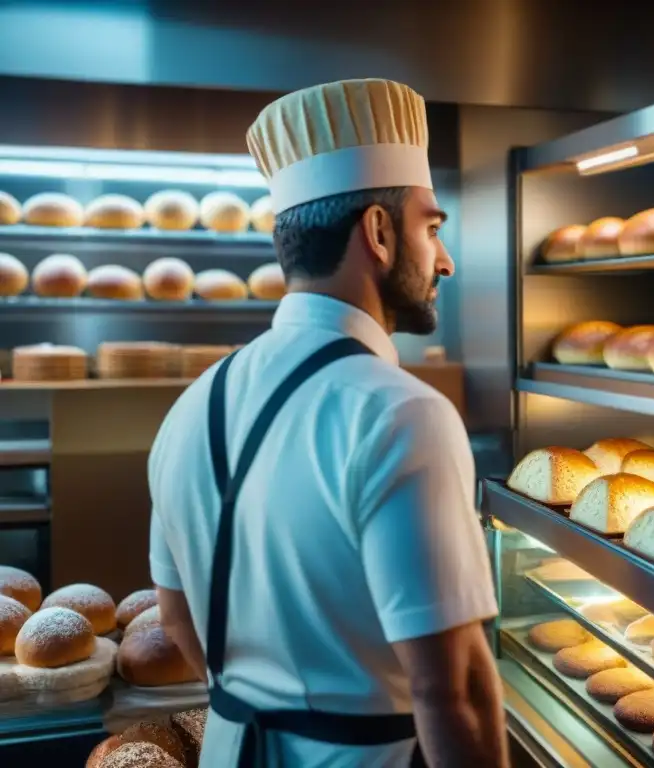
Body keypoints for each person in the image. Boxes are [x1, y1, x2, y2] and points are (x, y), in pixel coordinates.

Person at [147, 78, 508, 767]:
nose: (446, 259)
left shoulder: (190, 407)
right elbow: (452, 689)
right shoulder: (403, 413)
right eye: (431, 228)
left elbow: (175, 618)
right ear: (377, 232)